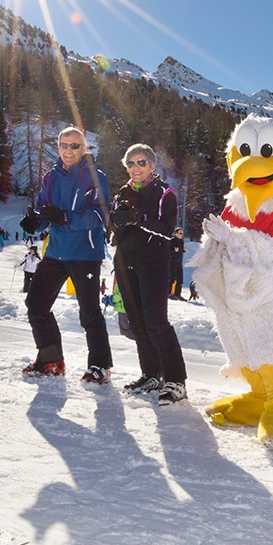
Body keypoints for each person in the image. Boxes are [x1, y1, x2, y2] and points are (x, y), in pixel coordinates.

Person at [19, 126, 113, 383]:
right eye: (64, 145)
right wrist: (34, 222)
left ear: (84, 149)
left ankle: (100, 367)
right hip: (57, 251)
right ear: (58, 147)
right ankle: (50, 360)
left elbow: (99, 215)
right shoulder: (51, 177)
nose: (69, 150)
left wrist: (67, 218)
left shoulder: (95, 177)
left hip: (85, 252)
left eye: (74, 146)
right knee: (36, 304)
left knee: (89, 312)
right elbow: (42, 210)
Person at [111, 144, 189, 405]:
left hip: (154, 263)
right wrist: (116, 222)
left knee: (156, 322)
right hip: (126, 262)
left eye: (141, 162)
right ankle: (152, 374)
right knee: (137, 322)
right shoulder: (122, 192)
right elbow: (115, 228)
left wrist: (139, 217)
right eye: (131, 163)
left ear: (152, 166)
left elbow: (168, 230)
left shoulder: (164, 193)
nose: (136, 168)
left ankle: (176, 380)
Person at [168, 227, 185, 299]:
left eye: (182, 233)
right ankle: (171, 293)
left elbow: (179, 251)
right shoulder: (171, 240)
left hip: (179, 262)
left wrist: (183, 250)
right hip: (172, 262)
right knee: (173, 278)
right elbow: (167, 251)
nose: (181, 235)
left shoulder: (181, 241)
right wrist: (173, 250)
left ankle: (178, 294)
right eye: (180, 233)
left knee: (180, 278)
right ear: (176, 233)